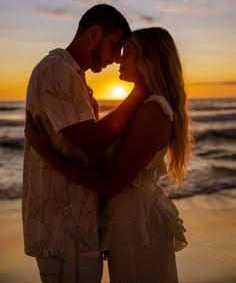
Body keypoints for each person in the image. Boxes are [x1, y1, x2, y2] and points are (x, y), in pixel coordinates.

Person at [25, 27, 192, 283]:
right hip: (128, 219)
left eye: (128, 53)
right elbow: (108, 159)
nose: (119, 60)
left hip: (138, 223)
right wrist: (93, 121)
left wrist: (45, 153)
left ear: (149, 60)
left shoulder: (153, 111)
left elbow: (111, 181)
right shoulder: (142, 107)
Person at [22, 4, 149, 283]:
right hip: (64, 228)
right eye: (115, 46)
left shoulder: (74, 77)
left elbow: (89, 152)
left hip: (72, 226)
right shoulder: (56, 71)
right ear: (94, 33)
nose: (117, 58)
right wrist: (139, 93)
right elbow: (92, 143)